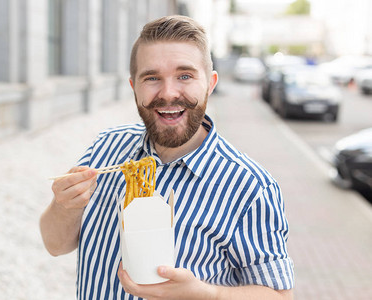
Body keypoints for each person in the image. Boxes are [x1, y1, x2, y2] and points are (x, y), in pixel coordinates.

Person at [40, 15, 294, 300]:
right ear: (134, 86)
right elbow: (55, 245)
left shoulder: (250, 186)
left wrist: (206, 294)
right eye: (152, 78)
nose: (169, 93)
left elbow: (279, 295)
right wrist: (64, 206)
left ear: (210, 84)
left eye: (185, 76)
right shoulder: (105, 147)